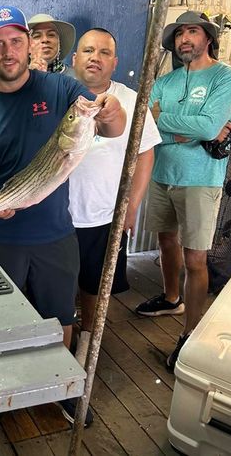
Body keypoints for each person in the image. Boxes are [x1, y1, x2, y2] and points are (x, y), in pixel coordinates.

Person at [0, 6, 126, 426]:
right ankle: (3, 391)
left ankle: (56, 388)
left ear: (28, 43)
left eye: (16, 41)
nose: (9, 51)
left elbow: (111, 128)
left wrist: (112, 112)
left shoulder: (62, 90)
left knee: (59, 316)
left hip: (54, 234)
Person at [134, 11, 231, 371]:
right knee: (166, 241)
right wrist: (182, 130)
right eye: (179, 33)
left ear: (207, 37)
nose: (184, 39)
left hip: (201, 179)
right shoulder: (164, 82)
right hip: (163, 172)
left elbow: (211, 127)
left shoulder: (227, 78)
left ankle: (190, 334)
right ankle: (170, 297)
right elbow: (145, 125)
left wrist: (168, 122)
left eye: (192, 31)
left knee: (196, 259)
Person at [68, 28, 162, 366]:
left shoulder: (132, 101)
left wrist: (132, 206)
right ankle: (62, 341)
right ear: (74, 58)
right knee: (59, 289)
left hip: (104, 214)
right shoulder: (59, 93)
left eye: (104, 52)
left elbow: (145, 154)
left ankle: (88, 346)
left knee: (95, 287)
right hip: (57, 217)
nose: (95, 57)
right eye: (88, 50)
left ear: (115, 62)